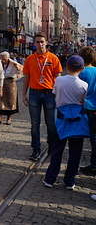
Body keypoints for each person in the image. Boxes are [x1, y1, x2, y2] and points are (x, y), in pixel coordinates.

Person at [42, 55, 88, 190]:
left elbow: (55, 94)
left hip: (62, 118)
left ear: (66, 66)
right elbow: (82, 100)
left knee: (57, 149)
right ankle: (69, 181)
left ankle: (50, 179)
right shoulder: (84, 85)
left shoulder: (60, 80)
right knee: (75, 152)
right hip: (78, 120)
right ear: (82, 69)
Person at [22, 32, 62, 161]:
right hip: (34, 93)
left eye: (42, 42)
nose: (40, 44)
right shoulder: (29, 59)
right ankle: (36, 149)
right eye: (37, 42)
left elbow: (58, 77)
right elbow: (26, 77)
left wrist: (58, 92)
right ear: (34, 43)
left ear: (46, 43)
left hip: (50, 94)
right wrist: (23, 94)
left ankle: (51, 146)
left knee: (51, 123)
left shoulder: (53, 58)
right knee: (35, 124)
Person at [78, 46, 96, 176]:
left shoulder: (81, 73)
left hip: (85, 107)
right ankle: (94, 163)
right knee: (94, 138)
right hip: (95, 107)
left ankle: (79, 163)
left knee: (80, 137)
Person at [0, 51, 23, 125]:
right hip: (1, 82)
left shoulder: (13, 64)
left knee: (11, 100)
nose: (3, 61)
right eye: (2, 59)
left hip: (10, 82)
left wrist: (17, 68)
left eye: (5, 59)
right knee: (0, 99)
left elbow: (19, 73)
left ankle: (9, 118)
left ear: (8, 58)